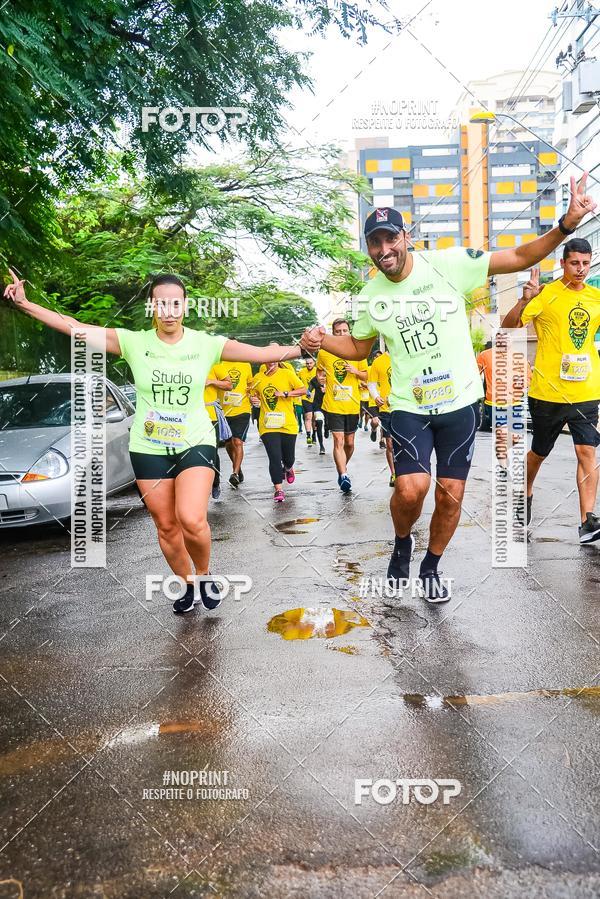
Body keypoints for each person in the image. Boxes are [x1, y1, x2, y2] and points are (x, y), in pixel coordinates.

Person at [300, 175, 596, 600]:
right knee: (410, 488)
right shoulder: (368, 295)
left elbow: (517, 255)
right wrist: (321, 341)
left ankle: (431, 566)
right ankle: (402, 545)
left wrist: (566, 225)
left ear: (406, 237)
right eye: (374, 243)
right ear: (368, 247)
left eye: (390, 239)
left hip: (460, 402)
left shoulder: (450, 263)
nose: (384, 250)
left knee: (450, 495)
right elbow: (360, 347)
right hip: (409, 405)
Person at [4, 268, 310, 613]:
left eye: (175, 304)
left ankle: (205, 574)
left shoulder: (205, 344)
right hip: (149, 448)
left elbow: (258, 353)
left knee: (191, 518)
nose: (168, 311)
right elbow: (76, 327)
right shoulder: (134, 342)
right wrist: (26, 305)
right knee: (166, 525)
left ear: (185, 306)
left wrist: (300, 349)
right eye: (161, 304)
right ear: (152, 307)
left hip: (195, 442)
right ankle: (187, 585)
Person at [502, 239, 600, 542]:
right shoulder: (546, 296)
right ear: (563, 264)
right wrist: (523, 300)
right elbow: (510, 327)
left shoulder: (597, 297)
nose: (581, 269)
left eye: (585, 263)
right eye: (574, 263)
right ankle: (525, 490)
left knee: (587, 450)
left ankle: (587, 521)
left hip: (586, 388)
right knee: (540, 452)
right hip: (548, 391)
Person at [316, 318, 368, 493]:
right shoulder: (324, 352)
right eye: (338, 332)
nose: (341, 334)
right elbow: (319, 371)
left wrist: (355, 372)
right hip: (333, 404)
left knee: (350, 443)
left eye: (344, 331)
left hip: (352, 404)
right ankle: (344, 475)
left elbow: (367, 376)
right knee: (338, 440)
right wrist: (321, 379)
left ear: (349, 331)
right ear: (333, 333)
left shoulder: (358, 351)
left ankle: (342, 467)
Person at [249, 361, 306, 501]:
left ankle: (288, 468)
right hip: (268, 425)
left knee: (289, 458)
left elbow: (304, 389)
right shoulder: (258, 378)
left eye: (274, 359)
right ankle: (278, 490)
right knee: (274, 457)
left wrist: (286, 393)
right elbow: (252, 394)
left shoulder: (287, 374)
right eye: (269, 359)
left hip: (288, 424)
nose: (272, 362)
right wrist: (254, 399)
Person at [476, 334, 532, 472]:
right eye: (500, 337)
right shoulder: (485, 355)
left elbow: (529, 378)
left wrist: (523, 382)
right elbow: (474, 373)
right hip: (494, 403)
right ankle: (503, 466)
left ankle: (501, 451)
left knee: (516, 437)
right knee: (502, 433)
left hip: (515, 403)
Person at [211, 343, 254, 488]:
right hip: (223, 411)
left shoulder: (246, 364)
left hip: (242, 409)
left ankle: (234, 473)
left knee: (237, 442)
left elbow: (251, 385)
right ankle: (238, 466)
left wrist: (252, 394)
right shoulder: (219, 363)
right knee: (229, 443)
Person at [367, 346, 395, 486]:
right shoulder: (379, 362)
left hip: (406, 409)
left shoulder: (407, 357)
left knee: (404, 444)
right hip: (386, 409)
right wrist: (376, 396)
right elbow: (371, 384)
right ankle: (394, 474)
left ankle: (405, 472)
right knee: (390, 443)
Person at [203, 367, 233, 500]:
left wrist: (211, 381)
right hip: (188, 417)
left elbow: (229, 385)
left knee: (211, 451)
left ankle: (215, 483)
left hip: (210, 416)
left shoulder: (214, 364)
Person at [297, 357, 317, 445]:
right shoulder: (301, 372)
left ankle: (314, 435)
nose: (309, 365)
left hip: (317, 398)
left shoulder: (318, 371)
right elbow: (297, 383)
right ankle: (308, 435)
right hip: (306, 398)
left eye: (310, 363)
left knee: (314, 418)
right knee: (308, 417)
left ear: (314, 363)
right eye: (307, 363)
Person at [309, 366, 327, 454]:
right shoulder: (314, 380)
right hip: (317, 404)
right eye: (318, 373)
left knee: (328, 424)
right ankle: (322, 446)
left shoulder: (331, 378)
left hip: (329, 405)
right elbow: (309, 389)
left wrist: (327, 390)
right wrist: (308, 393)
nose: (320, 376)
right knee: (319, 422)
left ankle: (327, 428)